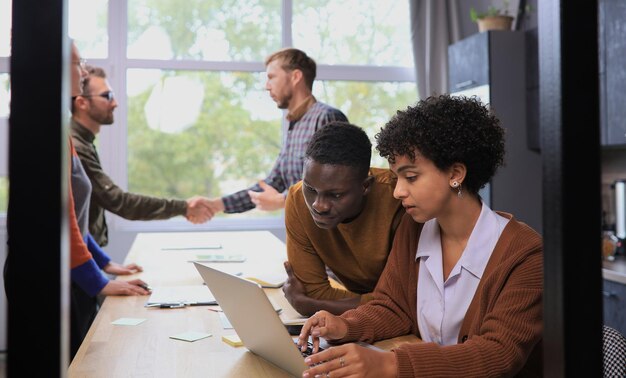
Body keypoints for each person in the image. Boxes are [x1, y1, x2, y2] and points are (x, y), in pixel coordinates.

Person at [297, 94, 543, 377]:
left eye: (410, 177)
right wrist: (344, 325)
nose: (397, 191)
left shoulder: (526, 254)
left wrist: (391, 364)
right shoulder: (414, 228)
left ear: (456, 173)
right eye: (396, 177)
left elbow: (497, 354)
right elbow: (393, 306)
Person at [68, 42, 150, 359]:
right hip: (62, 275)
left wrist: (104, 264)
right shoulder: (64, 136)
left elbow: (74, 216)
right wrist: (98, 279)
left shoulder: (68, 135)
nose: (83, 69)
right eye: (78, 63)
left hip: (79, 270)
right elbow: (64, 221)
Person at [71, 65, 213, 247]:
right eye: (107, 96)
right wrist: (183, 207)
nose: (115, 103)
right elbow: (120, 202)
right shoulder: (78, 148)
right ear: (82, 103)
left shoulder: (83, 143)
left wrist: (104, 263)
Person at [206, 48, 348, 216]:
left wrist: (283, 200)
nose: (267, 86)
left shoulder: (327, 117)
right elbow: (273, 183)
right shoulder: (293, 125)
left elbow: (335, 181)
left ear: (295, 77)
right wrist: (217, 205)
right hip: (301, 231)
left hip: (328, 236)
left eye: (271, 77)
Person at [282, 121, 403, 316]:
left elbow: (400, 301)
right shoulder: (297, 199)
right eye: (311, 189)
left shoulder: (399, 198)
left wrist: (308, 305)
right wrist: (371, 302)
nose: (318, 205)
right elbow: (313, 291)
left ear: (365, 186)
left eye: (335, 195)